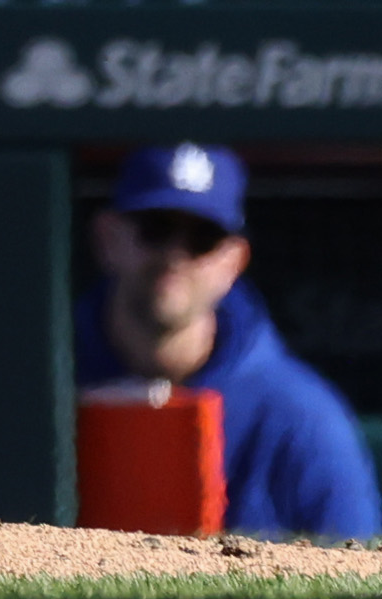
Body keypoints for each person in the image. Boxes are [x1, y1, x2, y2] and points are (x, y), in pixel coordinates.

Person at [72, 145, 379, 542]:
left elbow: (357, 583)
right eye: (156, 228)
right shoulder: (38, 384)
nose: (174, 256)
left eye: (203, 238)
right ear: (106, 237)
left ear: (235, 260)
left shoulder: (303, 415)